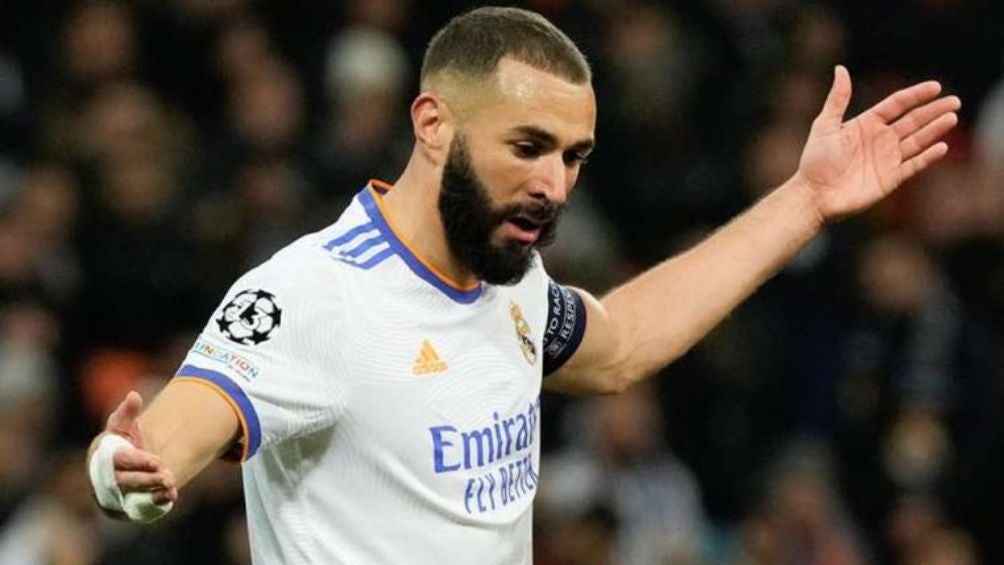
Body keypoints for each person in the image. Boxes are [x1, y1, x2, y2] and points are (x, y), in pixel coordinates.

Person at [86, 6, 960, 564]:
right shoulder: (315, 294)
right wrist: (122, 471)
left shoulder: (511, 280)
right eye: (528, 146)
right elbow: (166, 436)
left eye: (573, 156)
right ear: (434, 123)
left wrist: (806, 201)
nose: (555, 184)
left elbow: (623, 342)